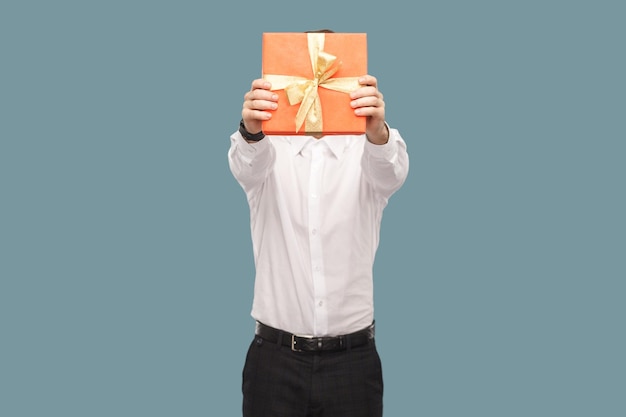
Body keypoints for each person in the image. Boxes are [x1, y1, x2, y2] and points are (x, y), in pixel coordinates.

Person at [228, 37, 409, 417]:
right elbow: (246, 163)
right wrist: (251, 129)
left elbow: (391, 171)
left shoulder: (369, 154)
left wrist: (378, 133)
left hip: (352, 364)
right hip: (274, 364)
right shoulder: (265, 152)